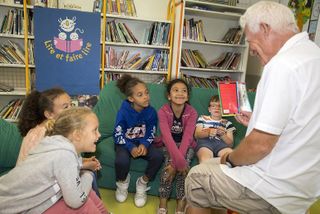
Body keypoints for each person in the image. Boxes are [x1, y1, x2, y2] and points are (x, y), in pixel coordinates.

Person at [185, 1, 320, 214]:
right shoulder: (313, 55)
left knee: (196, 179)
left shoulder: (282, 65)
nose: (255, 54)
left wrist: (228, 158)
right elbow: (300, 122)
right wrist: (257, 119)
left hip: (272, 189)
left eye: (252, 44)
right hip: (304, 189)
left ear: (265, 28)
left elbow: (259, 146)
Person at [0, 107, 109, 213]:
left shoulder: (58, 145)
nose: (99, 135)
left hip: (17, 202)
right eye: (95, 130)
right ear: (77, 135)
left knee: (88, 194)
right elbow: (75, 201)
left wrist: (84, 165)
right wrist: (88, 174)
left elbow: (62, 167)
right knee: (84, 204)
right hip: (12, 208)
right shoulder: (64, 154)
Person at [16, 88, 102, 198]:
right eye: (65, 107)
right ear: (49, 114)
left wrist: (84, 161)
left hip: (48, 181)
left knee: (89, 175)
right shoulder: (45, 134)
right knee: (89, 175)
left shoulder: (54, 129)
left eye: (71, 104)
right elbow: (54, 168)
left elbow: (62, 160)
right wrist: (85, 165)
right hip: (35, 190)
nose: (71, 109)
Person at [113, 74, 164, 207]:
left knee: (158, 156)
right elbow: (118, 133)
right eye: (140, 95)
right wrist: (130, 147)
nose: (146, 96)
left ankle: (142, 183)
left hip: (142, 142)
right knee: (121, 160)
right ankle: (122, 182)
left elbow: (151, 130)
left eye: (146, 93)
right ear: (131, 98)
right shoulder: (123, 112)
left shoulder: (151, 112)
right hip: (125, 143)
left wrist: (144, 144)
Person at [156, 79, 198, 214]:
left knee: (184, 167)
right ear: (169, 96)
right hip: (169, 145)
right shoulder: (163, 111)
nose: (180, 93)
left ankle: (181, 204)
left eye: (184, 91)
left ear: (188, 96)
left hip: (187, 145)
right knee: (169, 167)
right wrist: (175, 163)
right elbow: (167, 138)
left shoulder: (192, 112)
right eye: (176, 90)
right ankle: (163, 202)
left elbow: (188, 138)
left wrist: (177, 164)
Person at [194, 95, 235, 163]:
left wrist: (223, 135)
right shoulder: (203, 118)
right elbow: (196, 135)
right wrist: (208, 132)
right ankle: (211, 165)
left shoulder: (228, 123)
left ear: (225, 110)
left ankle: (221, 164)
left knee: (232, 158)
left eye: (220, 106)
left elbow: (230, 144)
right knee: (205, 159)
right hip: (205, 142)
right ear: (209, 109)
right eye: (213, 106)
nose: (217, 108)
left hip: (221, 144)